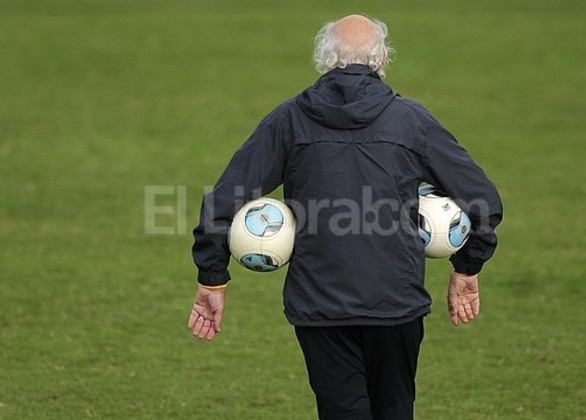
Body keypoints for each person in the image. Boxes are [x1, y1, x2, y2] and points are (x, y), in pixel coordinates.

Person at [188, 14, 503, 420]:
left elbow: (224, 200)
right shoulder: (411, 121)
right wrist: (467, 267)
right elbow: (482, 199)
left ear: (324, 60)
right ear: (382, 59)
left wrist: (212, 278)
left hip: (321, 305)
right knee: (394, 411)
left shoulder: (289, 120)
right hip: (395, 303)